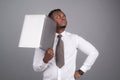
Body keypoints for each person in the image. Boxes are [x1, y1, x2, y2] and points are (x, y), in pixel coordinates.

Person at [33, 9, 99, 80]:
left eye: (64, 16)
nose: (63, 18)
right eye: (58, 17)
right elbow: (36, 68)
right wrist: (45, 60)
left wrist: (81, 71)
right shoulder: (43, 40)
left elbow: (94, 52)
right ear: (50, 21)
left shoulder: (74, 38)